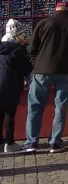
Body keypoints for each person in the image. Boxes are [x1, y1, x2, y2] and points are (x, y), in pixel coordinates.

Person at [24, 1, 68, 153]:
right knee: (61, 106)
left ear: (56, 10)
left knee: (35, 105)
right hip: (66, 70)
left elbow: (31, 49)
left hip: (43, 69)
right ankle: (55, 142)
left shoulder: (43, 23)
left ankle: (32, 142)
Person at [0, 20, 33, 153]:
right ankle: (9, 142)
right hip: (10, 85)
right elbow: (28, 70)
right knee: (9, 114)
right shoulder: (18, 50)